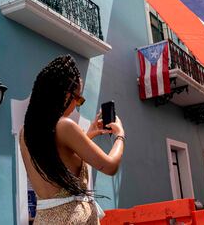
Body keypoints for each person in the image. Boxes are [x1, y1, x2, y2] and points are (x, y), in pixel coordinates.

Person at [20, 55, 126, 225]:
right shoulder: (65, 126)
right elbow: (110, 166)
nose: (77, 104)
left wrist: (89, 134)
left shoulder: (25, 132)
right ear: (66, 95)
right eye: (79, 98)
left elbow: (62, 156)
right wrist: (120, 135)